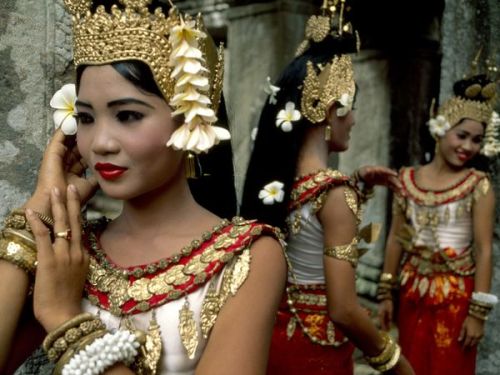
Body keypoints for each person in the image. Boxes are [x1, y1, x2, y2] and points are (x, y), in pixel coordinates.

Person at [0, 0, 286, 374]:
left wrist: (65, 319)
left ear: (190, 121)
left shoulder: (248, 257)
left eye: (128, 115)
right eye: (85, 117)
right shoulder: (72, 252)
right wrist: (41, 208)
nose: (100, 141)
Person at [240, 2, 413, 374]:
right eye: (351, 107)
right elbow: (345, 309)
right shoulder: (334, 194)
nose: (353, 119)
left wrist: (359, 182)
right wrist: (394, 361)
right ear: (331, 109)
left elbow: (305, 227)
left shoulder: (278, 183)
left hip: (274, 337)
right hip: (316, 350)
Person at [377, 71, 499, 374]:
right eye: (462, 136)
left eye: (477, 140)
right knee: (410, 364)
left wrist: (478, 314)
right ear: (440, 128)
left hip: (456, 298)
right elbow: (395, 238)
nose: (468, 147)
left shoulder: (477, 184)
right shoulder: (406, 179)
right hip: (412, 292)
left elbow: (484, 250)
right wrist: (385, 293)